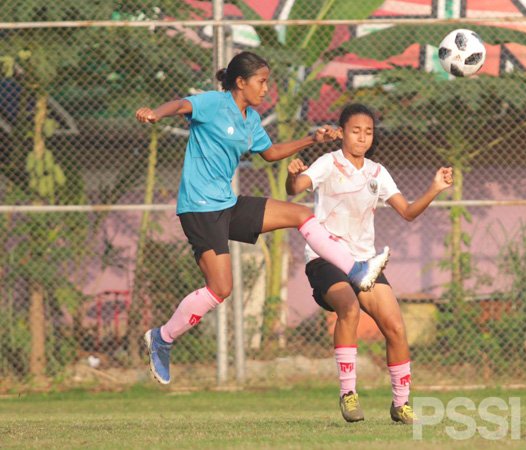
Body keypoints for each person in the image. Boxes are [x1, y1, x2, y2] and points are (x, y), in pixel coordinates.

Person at [135, 52, 390, 385]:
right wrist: (155, 113)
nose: (266, 88)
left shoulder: (250, 118)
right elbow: (181, 105)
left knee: (300, 213)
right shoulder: (214, 103)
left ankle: (356, 270)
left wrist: (311, 139)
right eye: (261, 81)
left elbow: (269, 153)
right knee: (220, 288)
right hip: (199, 209)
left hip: (226, 203)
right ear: (240, 82)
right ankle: (163, 338)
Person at [286, 103, 453, 424]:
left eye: (368, 132)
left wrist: (434, 188)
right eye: (355, 131)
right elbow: (295, 189)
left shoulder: (378, 172)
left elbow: (407, 212)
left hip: (365, 264)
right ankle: (348, 394)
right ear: (343, 132)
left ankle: (401, 404)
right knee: (347, 308)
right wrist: (293, 176)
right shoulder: (328, 162)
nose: (362, 138)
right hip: (325, 258)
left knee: (395, 327)